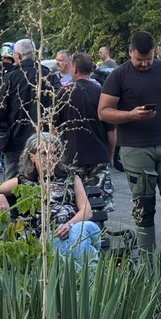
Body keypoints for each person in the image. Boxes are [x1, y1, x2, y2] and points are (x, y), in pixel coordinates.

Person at [98, 31, 161, 254]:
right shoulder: (118, 75)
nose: (145, 64)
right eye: (139, 60)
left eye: (148, 59)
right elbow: (103, 112)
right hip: (134, 148)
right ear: (130, 52)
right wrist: (130, 115)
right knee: (144, 206)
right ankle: (149, 265)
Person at [0, 133, 100, 270]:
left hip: (78, 228)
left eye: (54, 153)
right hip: (49, 237)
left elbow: (87, 211)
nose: (50, 158)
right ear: (32, 157)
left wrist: (69, 225)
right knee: (80, 248)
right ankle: (85, 277)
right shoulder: (24, 182)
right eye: (44, 154)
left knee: (80, 230)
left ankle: (77, 275)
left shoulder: (70, 177)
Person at [54, 53, 116, 211]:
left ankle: (79, 233)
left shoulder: (63, 95)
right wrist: (110, 155)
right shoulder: (101, 94)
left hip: (72, 157)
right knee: (99, 203)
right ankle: (98, 232)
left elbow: (54, 130)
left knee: (74, 204)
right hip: (98, 156)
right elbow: (111, 132)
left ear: (74, 68)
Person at [0, 39, 54, 180]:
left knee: (13, 180)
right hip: (42, 138)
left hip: (16, 137)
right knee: (42, 178)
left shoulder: (10, 77)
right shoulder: (47, 75)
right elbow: (56, 103)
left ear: (18, 56)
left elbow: (0, 110)